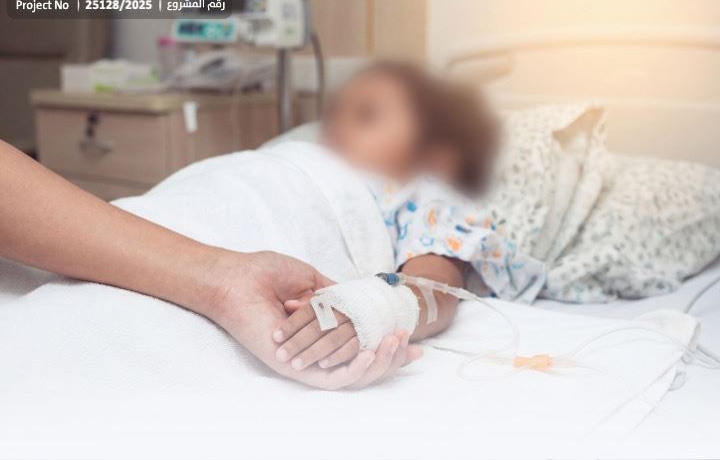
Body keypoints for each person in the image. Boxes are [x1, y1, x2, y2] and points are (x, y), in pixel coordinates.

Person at [0, 139, 420, 390]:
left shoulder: (433, 187)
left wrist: (370, 309)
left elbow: (431, 289)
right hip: (234, 185)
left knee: (98, 325)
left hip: (320, 207)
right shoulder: (301, 148)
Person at [272, 61, 545, 371]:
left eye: (366, 115)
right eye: (333, 114)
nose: (337, 127)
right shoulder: (311, 158)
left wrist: (375, 310)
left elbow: (434, 289)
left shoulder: (423, 197)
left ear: (434, 154)